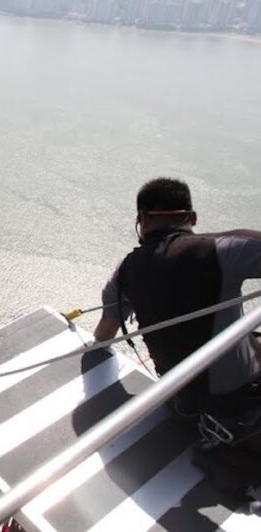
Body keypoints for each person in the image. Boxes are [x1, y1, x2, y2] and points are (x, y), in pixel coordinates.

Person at [94, 178, 261, 498]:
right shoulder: (222, 250)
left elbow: (104, 333)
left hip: (184, 406)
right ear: (192, 218)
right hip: (246, 412)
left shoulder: (125, 271)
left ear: (141, 221)